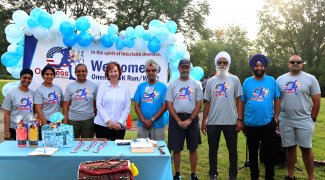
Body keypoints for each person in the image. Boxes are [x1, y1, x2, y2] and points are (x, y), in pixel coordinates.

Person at [276, 55, 321, 180]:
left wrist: (313, 118)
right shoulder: (280, 79)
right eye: (292, 62)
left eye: (298, 62)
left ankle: (311, 177)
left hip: (304, 120)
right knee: (290, 148)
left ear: (302, 64)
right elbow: (277, 100)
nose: (295, 63)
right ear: (288, 64)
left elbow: (317, 101)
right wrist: (278, 117)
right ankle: (291, 175)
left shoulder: (310, 79)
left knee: (306, 148)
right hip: (286, 119)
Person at [201, 51, 243, 180]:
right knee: (212, 150)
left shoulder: (234, 79)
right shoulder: (210, 82)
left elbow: (238, 100)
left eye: (225, 62)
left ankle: (232, 175)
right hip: (213, 122)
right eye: (220, 62)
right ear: (216, 64)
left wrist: (239, 119)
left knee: (233, 151)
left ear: (229, 64)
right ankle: (213, 174)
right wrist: (203, 121)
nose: (223, 64)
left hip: (231, 122)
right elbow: (207, 102)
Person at [240, 53, 281, 180]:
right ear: (252, 67)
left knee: (269, 152)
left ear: (265, 67)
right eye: (256, 65)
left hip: (268, 123)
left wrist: (275, 117)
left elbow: (277, 99)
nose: (259, 67)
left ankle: (270, 176)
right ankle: (254, 176)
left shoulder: (271, 81)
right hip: (250, 124)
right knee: (252, 153)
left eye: (261, 65)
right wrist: (240, 119)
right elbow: (242, 101)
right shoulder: (247, 82)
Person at [166, 59, 203, 180]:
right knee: (176, 149)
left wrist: (190, 119)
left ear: (190, 69)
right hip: (176, 119)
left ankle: (193, 174)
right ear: (179, 69)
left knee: (193, 148)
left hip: (191, 119)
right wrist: (178, 120)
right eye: (182, 67)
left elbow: (199, 104)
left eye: (187, 67)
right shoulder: (173, 84)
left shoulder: (196, 84)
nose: (185, 69)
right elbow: (169, 104)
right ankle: (177, 174)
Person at [94, 61, 131, 140]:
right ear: (107, 74)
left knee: (117, 151)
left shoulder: (125, 87)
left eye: (115, 71)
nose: (113, 74)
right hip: (102, 124)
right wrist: (107, 121)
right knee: (102, 150)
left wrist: (120, 122)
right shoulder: (102, 86)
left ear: (119, 72)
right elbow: (98, 104)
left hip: (118, 126)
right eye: (111, 71)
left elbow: (127, 107)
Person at [133, 59, 168, 140]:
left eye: (153, 70)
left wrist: (152, 120)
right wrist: (143, 120)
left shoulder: (163, 87)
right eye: (148, 70)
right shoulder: (141, 86)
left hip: (158, 124)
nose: (151, 72)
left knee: (157, 149)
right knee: (142, 149)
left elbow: (164, 106)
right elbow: (136, 105)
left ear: (157, 71)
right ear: (146, 72)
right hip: (143, 124)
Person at [63, 64, 97, 138]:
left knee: (87, 144)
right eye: (78, 71)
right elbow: (65, 106)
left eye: (83, 71)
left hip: (88, 120)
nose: (81, 73)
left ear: (87, 72)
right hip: (73, 120)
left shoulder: (94, 86)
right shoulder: (70, 87)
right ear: (75, 73)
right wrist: (65, 123)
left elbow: (95, 105)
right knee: (72, 144)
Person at [2, 68, 35, 140]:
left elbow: (34, 112)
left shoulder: (33, 94)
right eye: (24, 77)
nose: (26, 80)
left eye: (29, 78)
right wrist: (6, 131)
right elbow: (6, 113)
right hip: (14, 129)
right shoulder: (11, 93)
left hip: (29, 129)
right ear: (20, 78)